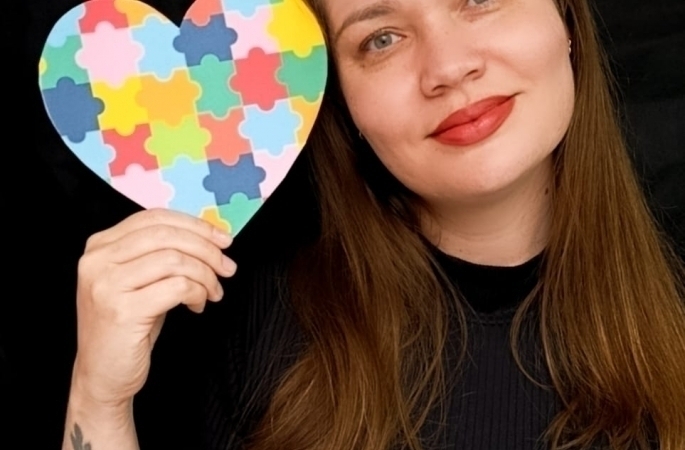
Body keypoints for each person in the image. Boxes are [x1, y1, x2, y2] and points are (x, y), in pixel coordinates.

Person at [61, 0, 685, 449]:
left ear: (566, 19)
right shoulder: (254, 327)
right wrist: (100, 403)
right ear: (342, 103)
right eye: (381, 39)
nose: (448, 67)